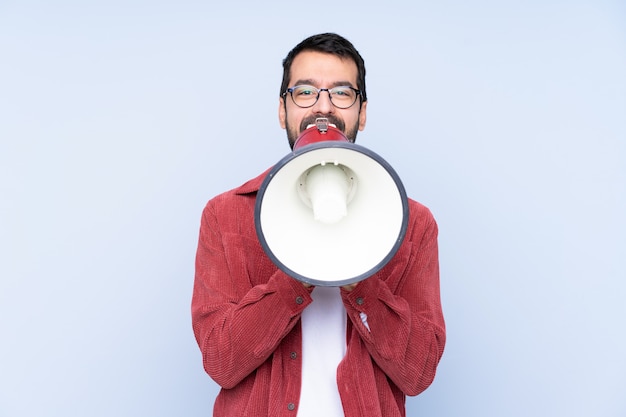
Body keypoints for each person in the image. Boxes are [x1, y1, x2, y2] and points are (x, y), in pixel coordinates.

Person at [191, 32, 446, 417]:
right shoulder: (224, 215)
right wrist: (301, 264)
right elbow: (221, 361)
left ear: (362, 111)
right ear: (283, 110)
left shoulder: (413, 224)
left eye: (342, 93)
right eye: (305, 92)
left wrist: (357, 271)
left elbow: (420, 372)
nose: (322, 108)